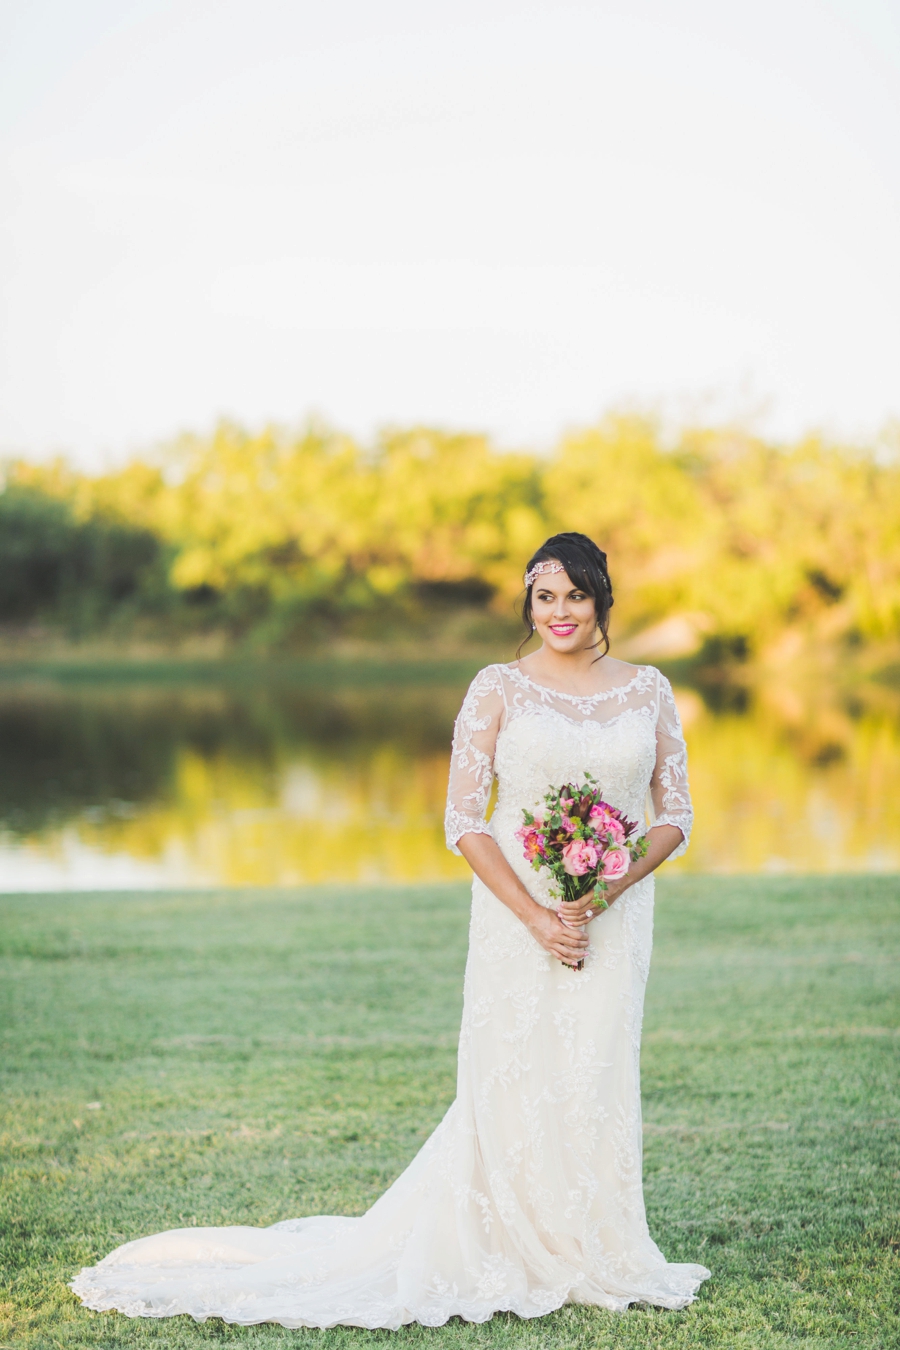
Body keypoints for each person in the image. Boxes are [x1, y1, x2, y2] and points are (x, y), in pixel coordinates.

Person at [71, 532, 710, 1329]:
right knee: (514, 1070)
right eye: (544, 598)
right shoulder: (497, 688)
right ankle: (509, 1243)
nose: (560, 613)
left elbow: (674, 812)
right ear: (527, 604)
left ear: (601, 599)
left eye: (575, 596)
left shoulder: (648, 690)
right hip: (517, 917)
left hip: (613, 920)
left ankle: (594, 1245)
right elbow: (465, 821)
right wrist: (541, 916)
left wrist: (605, 890)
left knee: (596, 1067)